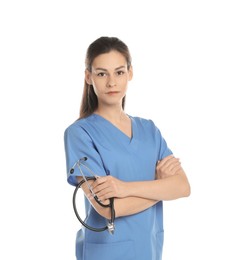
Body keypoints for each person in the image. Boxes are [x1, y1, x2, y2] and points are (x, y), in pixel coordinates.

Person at [64, 36, 191, 260]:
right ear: (88, 76)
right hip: (106, 253)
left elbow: (183, 187)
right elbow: (107, 208)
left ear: (130, 73)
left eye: (119, 72)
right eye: (102, 73)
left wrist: (124, 188)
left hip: (148, 250)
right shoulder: (79, 134)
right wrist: (161, 187)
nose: (111, 82)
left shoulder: (149, 129)